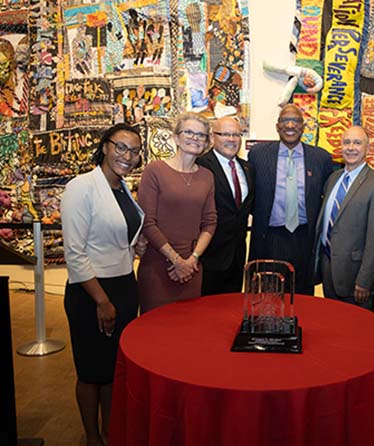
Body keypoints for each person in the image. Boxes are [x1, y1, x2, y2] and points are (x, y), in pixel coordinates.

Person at [61, 123, 144, 446]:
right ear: (105, 147)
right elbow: (75, 252)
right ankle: (92, 436)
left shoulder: (121, 187)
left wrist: (134, 246)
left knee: (111, 370)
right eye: (121, 147)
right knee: (90, 370)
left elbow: (118, 233)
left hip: (124, 285)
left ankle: (111, 432)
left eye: (134, 151)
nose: (127, 155)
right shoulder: (81, 187)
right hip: (91, 292)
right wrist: (101, 301)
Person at [248, 104, 333, 295]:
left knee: (302, 294)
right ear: (277, 126)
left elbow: (326, 196)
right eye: (285, 120)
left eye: (295, 121)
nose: (290, 125)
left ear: (303, 126)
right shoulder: (258, 154)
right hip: (271, 237)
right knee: (269, 294)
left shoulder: (321, 158)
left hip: (305, 237)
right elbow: (251, 194)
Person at [137, 112, 217, 313]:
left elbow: (210, 222)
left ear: (206, 142)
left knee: (187, 331)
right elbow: (147, 222)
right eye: (188, 132)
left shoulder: (207, 176)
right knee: (154, 330)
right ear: (176, 137)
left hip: (192, 267)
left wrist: (192, 260)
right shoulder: (154, 171)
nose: (194, 138)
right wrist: (176, 260)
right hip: (157, 265)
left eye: (201, 135)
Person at [314, 126, 374, 310]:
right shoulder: (333, 178)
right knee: (333, 328)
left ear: (368, 149)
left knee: (358, 333)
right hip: (329, 270)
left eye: (357, 143)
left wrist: (365, 280)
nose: (351, 147)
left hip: (356, 276)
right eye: (346, 142)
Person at [196, 116, 255, 294]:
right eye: (225, 134)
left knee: (231, 313)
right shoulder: (200, 166)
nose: (231, 139)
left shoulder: (247, 168)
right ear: (213, 137)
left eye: (236, 134)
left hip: (237, 258)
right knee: (205, 314)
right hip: (207, 258)